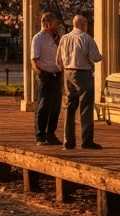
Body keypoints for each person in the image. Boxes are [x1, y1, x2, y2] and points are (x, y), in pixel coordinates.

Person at [57, 14, 103, 150]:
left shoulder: (64, 38)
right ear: (84, 25)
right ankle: (87, 140)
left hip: (67, 72)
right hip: (82, 72)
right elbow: (95, 57)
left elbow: (58, 59)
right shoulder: (86, 38)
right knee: (86, 107)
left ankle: (68, 140)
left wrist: (63, 70)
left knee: (69, 106)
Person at [30, 12, 63, 145]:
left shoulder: (57, 37)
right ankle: (40, 135)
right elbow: (34, 59)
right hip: (45, 74)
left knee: (55, 106)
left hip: (57, 74)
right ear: (46, 24)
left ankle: (51, 134)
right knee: (44, 106)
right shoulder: (38, 38)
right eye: (55, 22)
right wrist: (39, 74)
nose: (57, 25)